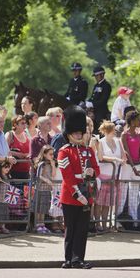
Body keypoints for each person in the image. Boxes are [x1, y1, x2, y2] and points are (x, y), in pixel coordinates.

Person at [58, 105, 100, 269]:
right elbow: (67, 176)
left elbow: (96, 169)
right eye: (75, 132)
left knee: (82, 230)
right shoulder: (64, 151)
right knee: (70, 228)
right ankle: (68, 258)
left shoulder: (88, 150)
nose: (78, 134)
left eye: (80, 132)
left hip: (87, 193)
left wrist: (92, 172)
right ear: (69, 133)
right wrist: (77, 194)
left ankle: (78, 259)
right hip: (71, 195)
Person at [95, 120, 126, 231]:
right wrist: (114, 159)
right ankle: (97, 223)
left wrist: (122, 159)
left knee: (108, 204)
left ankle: (105, 224)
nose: (115, 132)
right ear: (107, 131)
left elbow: (123, 155)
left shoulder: (118, 141)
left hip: (114, 176)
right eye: (113, 130)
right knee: (99, 203)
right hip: (103, 176)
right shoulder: (101, 142)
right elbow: (101, 157)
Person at [117, 111, 140, 227]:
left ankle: (134, 221)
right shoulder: (124, 134)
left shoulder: (139, 135)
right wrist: (133, 167)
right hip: (127, 166)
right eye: (138, 119)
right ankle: (117, 220)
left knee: (134, 194)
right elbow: (126, 151)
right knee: (122, 194)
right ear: (132, 121)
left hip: (138, 165)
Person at [33, 145, 57, 233]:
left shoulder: (50, 163)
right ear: (44, 154)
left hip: (47, 189)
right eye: (50, 154)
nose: (52, 156)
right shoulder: (41, 164)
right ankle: (37, 224)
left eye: (53, 154)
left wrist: (53, 165)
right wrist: (46, 180)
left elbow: (53, 175)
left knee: (44, 208)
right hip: (40, 189)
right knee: (38, 208)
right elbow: (39, 176)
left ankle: (42, 224)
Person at [86, 66, 112, 133]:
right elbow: (93, 97)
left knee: (98, 121)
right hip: (94, 109)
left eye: (97, 76)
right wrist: (88, 101)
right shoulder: (96, 85)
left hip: (101, 110)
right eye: (95, 76)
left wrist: (93, 104)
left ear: (102, 75)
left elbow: (104, 100)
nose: (95, 78)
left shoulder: (106, 85)